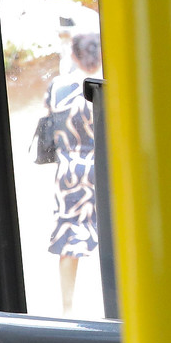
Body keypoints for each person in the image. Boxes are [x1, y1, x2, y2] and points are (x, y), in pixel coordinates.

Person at [47, 31, 100, 316]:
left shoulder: (58, 86)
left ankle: (68, 309)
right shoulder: (105, 87)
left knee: (70, 242)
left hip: (69, 172)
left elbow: (49, 120)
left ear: (75, 55)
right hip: (104, 169)